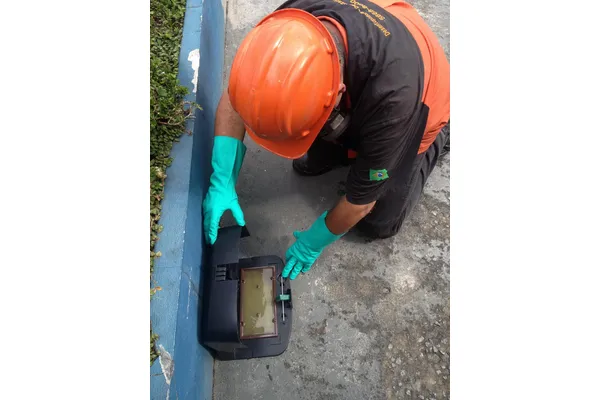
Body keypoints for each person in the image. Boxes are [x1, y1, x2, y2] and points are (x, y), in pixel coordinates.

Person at [202, 0, 450, 280]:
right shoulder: (287, 29)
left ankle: (443, 135)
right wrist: (222, 179)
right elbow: (237, 98)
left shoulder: (395, 104)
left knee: (379, 221)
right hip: (382, 27)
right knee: (313, 156)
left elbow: (360, 204)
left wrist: (314, 242)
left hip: (426, 94)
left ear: (339, 91)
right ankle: (347, 145)